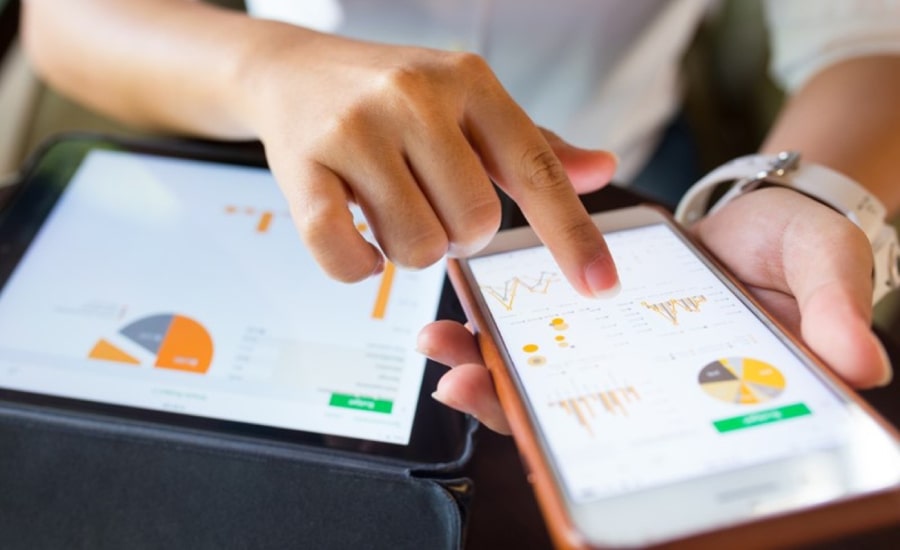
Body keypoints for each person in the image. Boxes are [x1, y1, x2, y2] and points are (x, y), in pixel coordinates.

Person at [20, 0, 900, 433]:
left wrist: (806, 191)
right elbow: (63, 18)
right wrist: (268, 67)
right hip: (282, 165)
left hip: (612, 186)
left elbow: (870, 34)